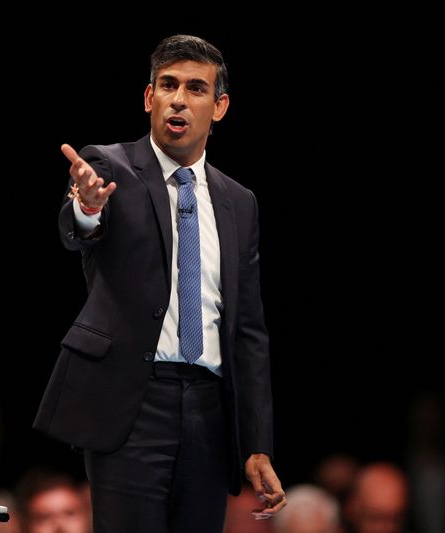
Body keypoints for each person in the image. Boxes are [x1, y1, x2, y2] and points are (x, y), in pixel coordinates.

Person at [33, 34, 285, 532]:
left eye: (196, 88)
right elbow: (79, 229)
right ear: (149, 98)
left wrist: (257, 444)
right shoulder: (109, 167)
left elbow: (249, 331)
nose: (178, 98)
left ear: (220, 107)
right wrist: (86, 208)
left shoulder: (241, 202)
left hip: (210, 412)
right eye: (167, 85)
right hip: (133, 402)